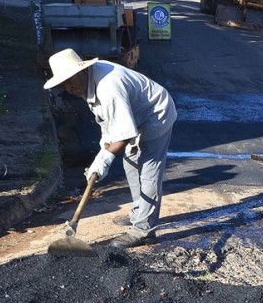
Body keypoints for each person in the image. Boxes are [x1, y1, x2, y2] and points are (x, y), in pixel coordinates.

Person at [43, 48, 177, 249]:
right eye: (63, 84)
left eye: (69, 82)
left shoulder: (108, 87)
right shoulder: (85, 83)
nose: (68, 88)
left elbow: (124, 134)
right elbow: (108, 120)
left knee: (148, 172)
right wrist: (102, 151)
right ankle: (139, 211)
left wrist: (105, 158)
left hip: (156, 114)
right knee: (131, 165)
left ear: (80, 71)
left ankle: (144, 230)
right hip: (135, 114)